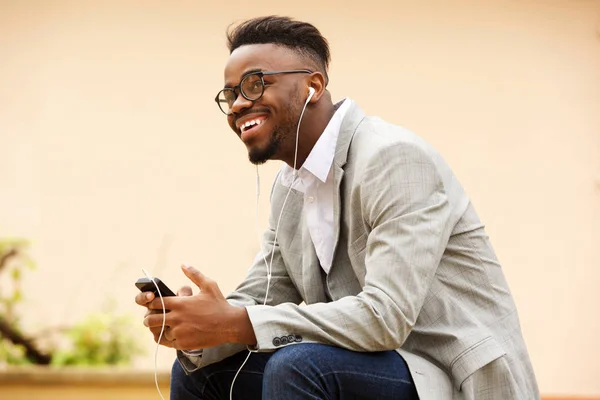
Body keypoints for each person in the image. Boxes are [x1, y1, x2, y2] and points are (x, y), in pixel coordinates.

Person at [135, 15, 540, 400]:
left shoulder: (393, 158)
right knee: (201, 370)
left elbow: (386, 317)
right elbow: (263, 299)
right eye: (231, 94)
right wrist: (195, 326)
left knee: (298, 366)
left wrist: (234, 322)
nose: (239, 103)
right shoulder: (289, 187)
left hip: (448, 375)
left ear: (313, 85)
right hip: (370, 367)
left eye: (255, 84)